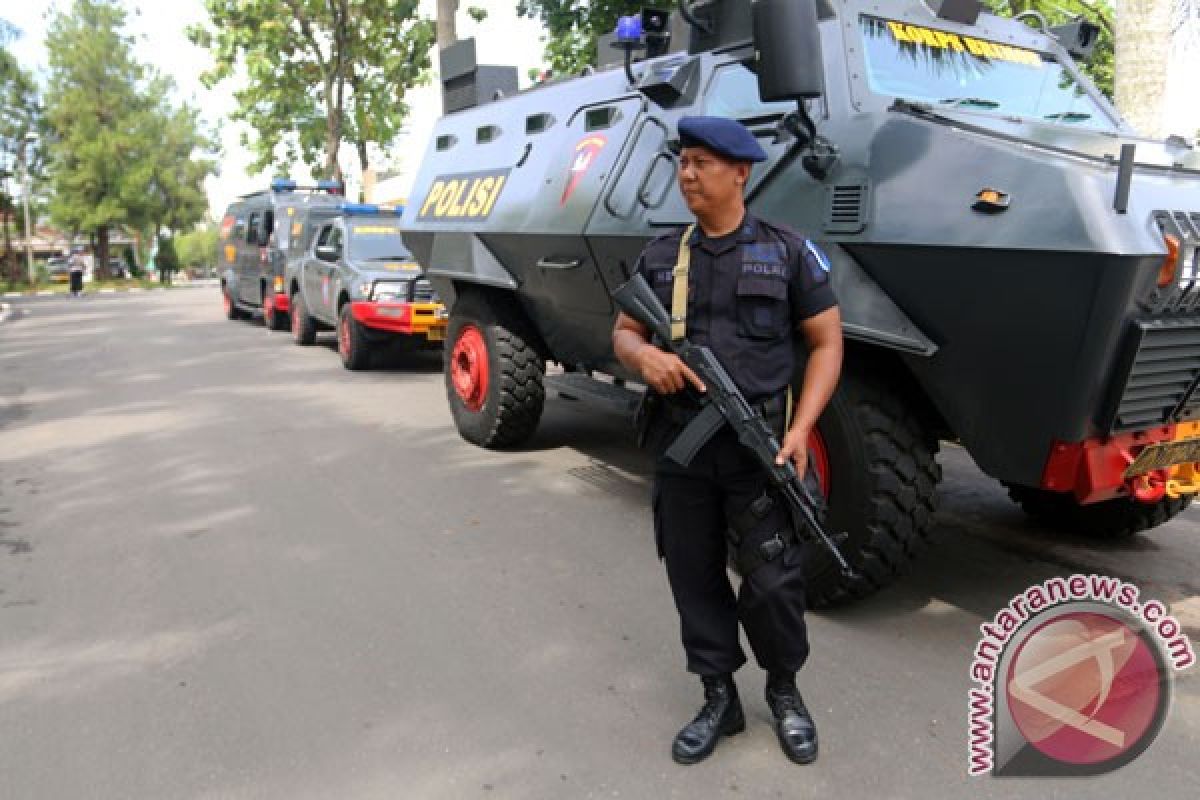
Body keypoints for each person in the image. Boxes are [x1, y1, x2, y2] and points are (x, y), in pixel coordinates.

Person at [612, 116, 843, 766]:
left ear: (740, 172)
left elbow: (828, 344)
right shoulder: (661, 256)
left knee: (774, 583)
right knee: (693, 574)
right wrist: (641, 357)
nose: (687, 174)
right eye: (682, 162)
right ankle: (718, 695)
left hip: (762, 446)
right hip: (680, 445)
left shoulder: (789, 251)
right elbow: (625, 331)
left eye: (702, 163)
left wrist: (801, 430)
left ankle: (784, 689)